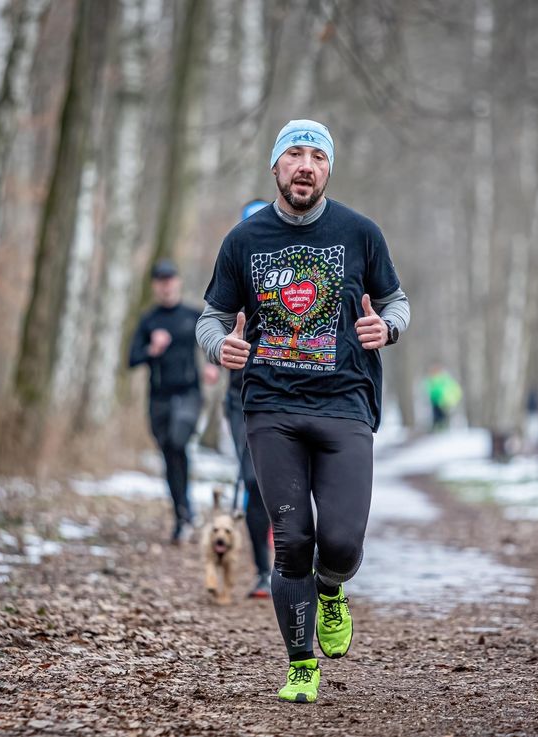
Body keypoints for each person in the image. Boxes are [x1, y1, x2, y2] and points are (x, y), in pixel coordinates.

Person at [196, 119, 410, 703]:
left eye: (317, 155)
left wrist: (384, 327)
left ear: (328, 169)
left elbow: (397, 301)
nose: (305, 165)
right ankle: (300, 664)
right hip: (271, 407)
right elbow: (211, 317)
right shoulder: (244, 240)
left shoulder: (360, 233)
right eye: (295, 153)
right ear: (276, 166)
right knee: (292, 540)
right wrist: (222, 345)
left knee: (339, 542)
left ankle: (332, 591)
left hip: (345, 403)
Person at [129, 259, 206, 544]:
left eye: (170, 279)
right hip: (158, 397)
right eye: (160, 281)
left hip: (189, 394)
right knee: (170, 454)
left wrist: (214, 365)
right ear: (155, 286)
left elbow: (213, 342)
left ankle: (184, 511)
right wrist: (152, 348)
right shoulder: (149, 320)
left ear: (178, 282)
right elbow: (132, 358)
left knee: (177, 442)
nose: (166, 285)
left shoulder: (192, 315)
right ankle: (182, 514)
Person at [226, 198, 273, 598]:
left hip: (286, 393)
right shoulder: (232, 268)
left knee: (292, 480)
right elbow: (212, 321)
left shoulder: (292, 271)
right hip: (239, 395)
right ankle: (263, 570)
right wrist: (217, 350)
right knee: (253, 480)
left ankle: (296, 556)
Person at [423, 365, 462, 431]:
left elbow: (453, 389)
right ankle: (439, 428)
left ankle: (443, 429)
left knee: (442, 416)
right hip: (435, 401)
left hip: (443, 401)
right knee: (437, 416)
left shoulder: (444, 379)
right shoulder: (431, 380)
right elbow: (429, 390)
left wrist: (451, 399)